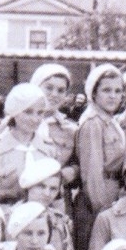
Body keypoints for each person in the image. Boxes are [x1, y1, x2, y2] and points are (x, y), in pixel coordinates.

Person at [73, 64, 126, 250]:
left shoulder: (110, 121)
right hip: (97, 202)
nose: (113, 96)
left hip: (113, 192)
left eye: (118, 91)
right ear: (93, 93)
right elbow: (91, 173)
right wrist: (103, 212)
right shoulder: (92, 123)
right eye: (106, 90)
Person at [0, 83, 57, 209]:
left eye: (40, 113)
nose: (35, 119)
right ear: (15, 112)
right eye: (28, 112)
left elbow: (57, 197)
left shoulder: (49, 149)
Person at [18, 157, 80, 250]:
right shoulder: (11, 219)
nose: (47, 193)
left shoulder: (60, 223)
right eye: (41, 186)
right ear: (29, 187)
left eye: (53, 189)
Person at [31, 64, 81, 209]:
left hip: (57, 202)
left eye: (61, 90)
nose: (54, 94)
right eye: (49, 88)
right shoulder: (16, 124)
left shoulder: (71, 130)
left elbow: (81, 165)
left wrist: (72, 172)